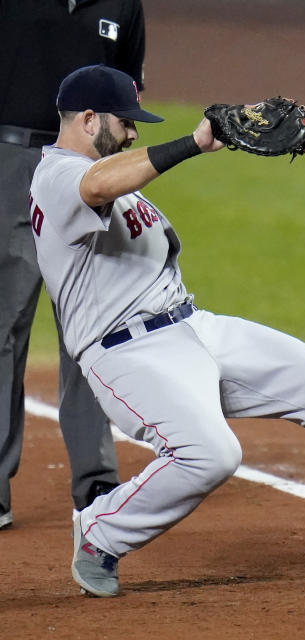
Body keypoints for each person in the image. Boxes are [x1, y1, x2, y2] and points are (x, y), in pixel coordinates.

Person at [30, 64, 305, 597]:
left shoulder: (111, 174)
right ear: (86, 119)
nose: (132, 131)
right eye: (124, 122)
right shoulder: (57, 176)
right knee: (211, 454)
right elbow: (98, 183)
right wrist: (195, 143)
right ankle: (103, 530)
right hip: (128, 353)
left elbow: (114, 183)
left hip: (191, 327)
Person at [0, 0, 148, 529]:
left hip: (89, 173)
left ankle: (97, 484)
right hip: (9, 161)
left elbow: (128, 93)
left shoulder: (122, 5)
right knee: (4, 325)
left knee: (86, 326)